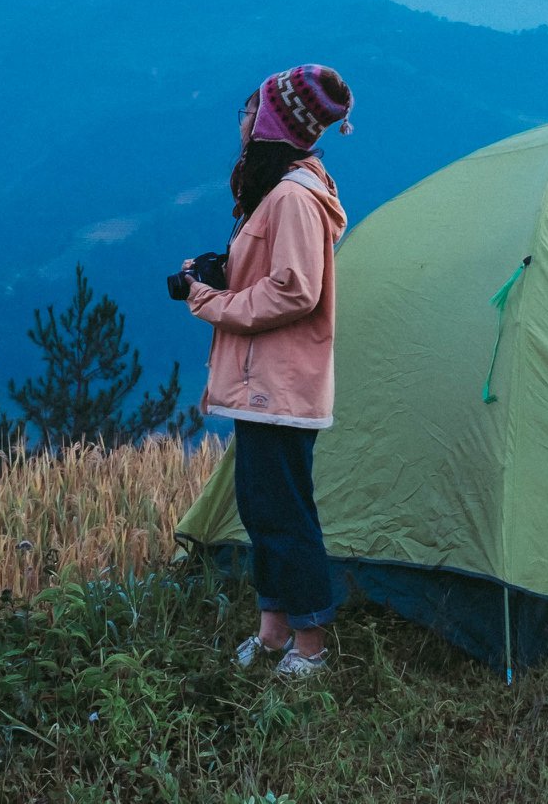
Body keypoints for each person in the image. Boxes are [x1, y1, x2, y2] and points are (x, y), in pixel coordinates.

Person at [169, 65, 351, 678]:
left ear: (271, 122)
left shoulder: (295, 197)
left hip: (281, 382)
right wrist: (225, 274)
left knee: (285, 514)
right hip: (260, 384)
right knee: (261, 509)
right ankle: (275, 633)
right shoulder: (277, 194)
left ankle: (312, 647)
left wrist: (213, 302)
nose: (243, 123)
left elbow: (296, 289)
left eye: (250, 112)